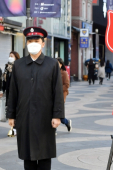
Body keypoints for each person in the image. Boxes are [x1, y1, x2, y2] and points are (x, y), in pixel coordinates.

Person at [6, 27, 64, 170]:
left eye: (36, 41)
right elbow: (13, 91)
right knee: (27, 156)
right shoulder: (19, 65)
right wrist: (11, 115)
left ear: (43, 43)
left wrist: (58, 116)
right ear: (26, 43)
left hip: (45, 117)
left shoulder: (52, 64)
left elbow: (58, 92)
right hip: (24, 116)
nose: (33, 43)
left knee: (44, 155)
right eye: (30, 41)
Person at [4, 51, 20, 136]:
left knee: (16, 109)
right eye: (9, 55)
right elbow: (4, 80)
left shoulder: (18, 67)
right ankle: (13, 127)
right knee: (10, 108)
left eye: (12, 56)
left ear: (16, 57)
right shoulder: (7, 67)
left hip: (16, 91)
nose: (10, 57)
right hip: (9, 91)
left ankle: (15, 128)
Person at [57, 58, 72, 132]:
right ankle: (54, 130)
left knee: (59, 114)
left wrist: (57, 89)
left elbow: (67, 85)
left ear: (61, 64)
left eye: (58, 63)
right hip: (52, 96)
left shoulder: (64, 73)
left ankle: (67, 122)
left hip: (61, 95)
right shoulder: (52, 72)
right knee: (53, 113)